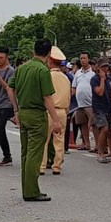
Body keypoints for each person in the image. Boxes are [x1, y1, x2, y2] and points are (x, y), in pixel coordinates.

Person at [11, 39, 58, 202]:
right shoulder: (42, 70)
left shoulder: (21, 68)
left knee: (25, 153)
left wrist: (16, 109)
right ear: (49, 53)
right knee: (34, 154)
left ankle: (27, 189)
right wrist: (56, 120)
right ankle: (32, 191)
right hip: (37, 115)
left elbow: (10, 88)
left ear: (34, 51)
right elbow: (47, 97)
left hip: (23, 113)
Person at [43, 47, 73, 176]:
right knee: (59, 139)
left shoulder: (48, 76)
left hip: (49, 111)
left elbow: (45, 95)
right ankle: (57, 166)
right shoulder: (66, 78)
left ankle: (42, 166)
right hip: (62, 111)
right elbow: (69, 96)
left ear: (50, 61)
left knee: (44, 140)